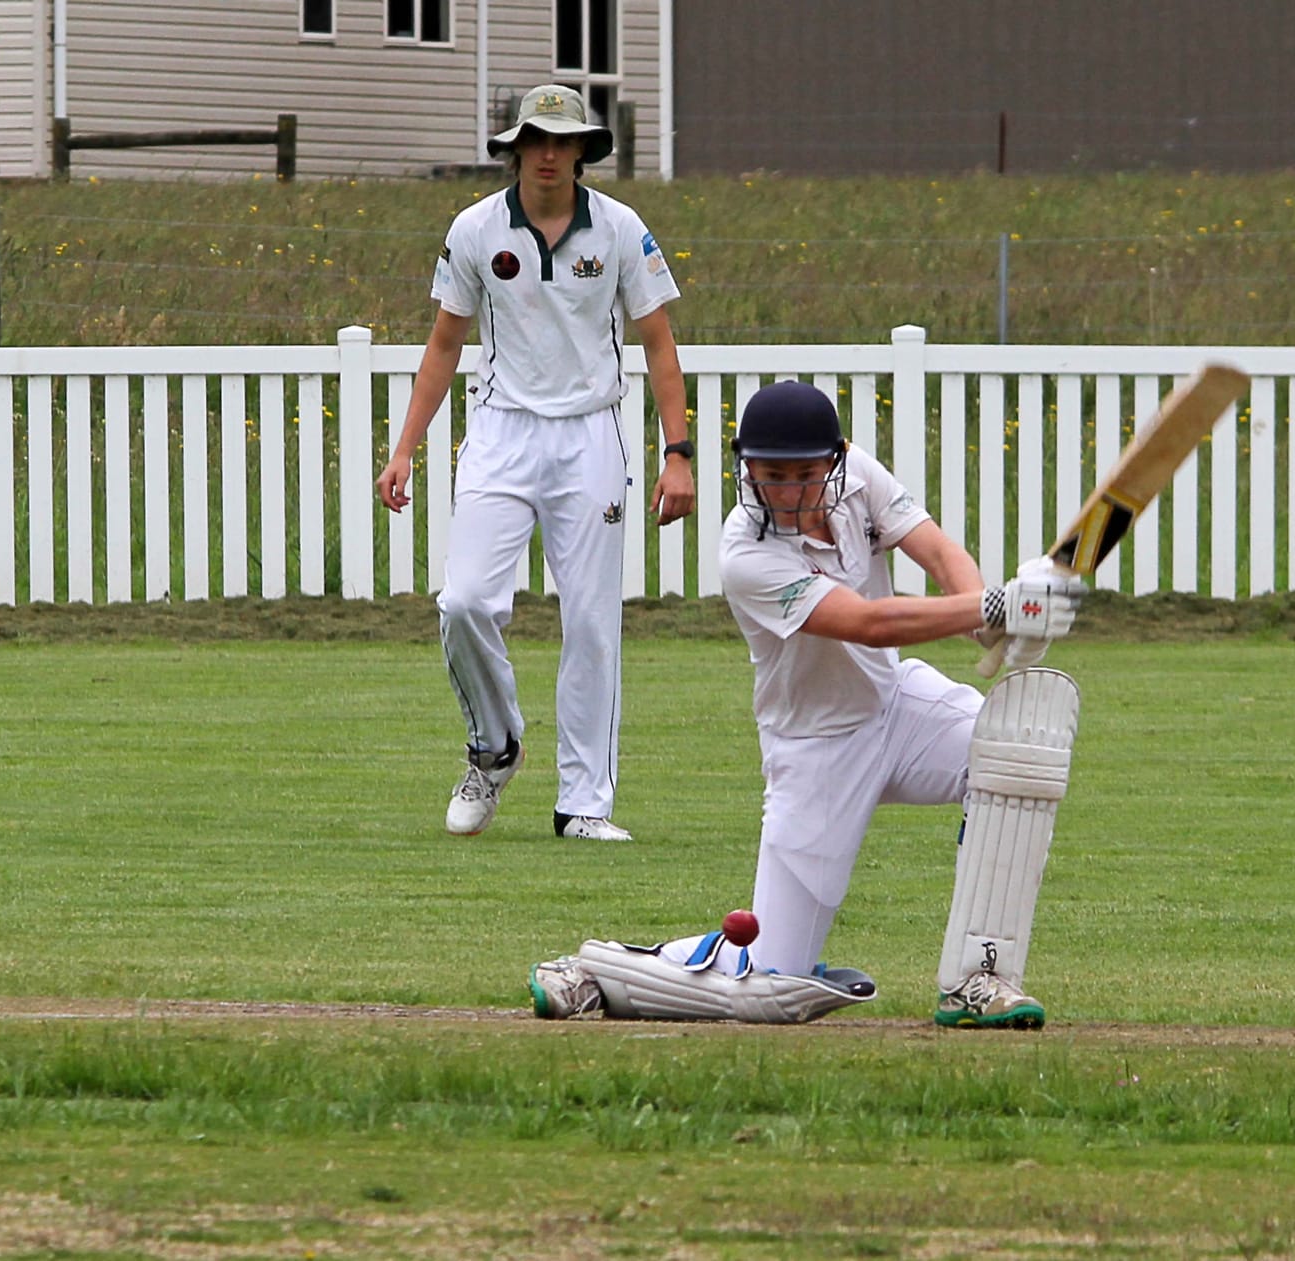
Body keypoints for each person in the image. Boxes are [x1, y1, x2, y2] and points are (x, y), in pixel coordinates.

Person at [527, 380, 1088, 1028]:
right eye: (772, 475)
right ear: (747, 470)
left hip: (895, 704)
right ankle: (601, 969)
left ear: (835, 459)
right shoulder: (746, 554)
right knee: (772, 981)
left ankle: (978, 977)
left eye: (804, 473)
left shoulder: (860, 480)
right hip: (815, 747)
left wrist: (989, 618)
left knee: (1015, 751)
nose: (789, 491)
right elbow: (868, 622)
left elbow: (936, 551)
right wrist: (996, 605)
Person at [376, 85, 693, 844]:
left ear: (584, 149)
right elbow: (445, 344)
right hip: (502, 431)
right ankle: (494, 745)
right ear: (515, 148)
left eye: (564, 141)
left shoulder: (619, 229)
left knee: (590, 620)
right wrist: (405, 446)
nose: (549, 154)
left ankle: (585, 803)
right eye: (536, 141)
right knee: (464, 604)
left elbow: (657, 344)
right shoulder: (476, 228)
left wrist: (676, 454)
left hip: (590, 436)